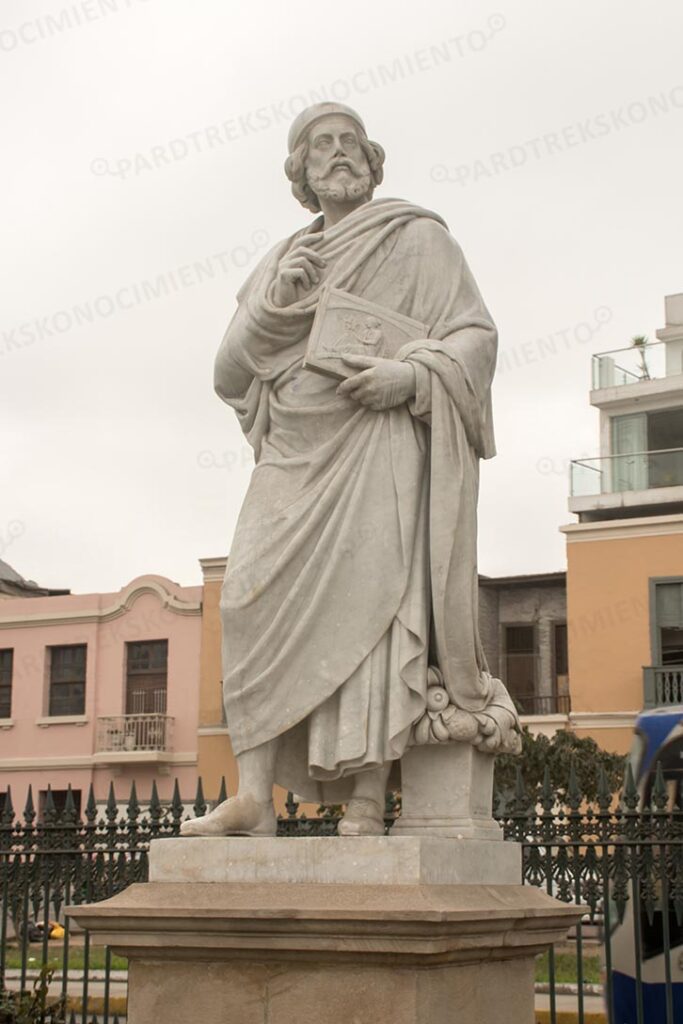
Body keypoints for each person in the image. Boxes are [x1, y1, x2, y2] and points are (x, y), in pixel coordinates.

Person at [182, 102, 519, 839]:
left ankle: (367, 798)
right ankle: (251, 796)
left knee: (371, 612)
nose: (337, 155)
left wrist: (411, 378)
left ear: (371, 161)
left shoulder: (418, 238)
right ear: (299, 173)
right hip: (292, 452)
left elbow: (474, 337)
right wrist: (273, 307)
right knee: (246, 599)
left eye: (349, 144)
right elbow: (227, 371)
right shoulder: (279, 262)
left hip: (376, 445)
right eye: (319, 147)